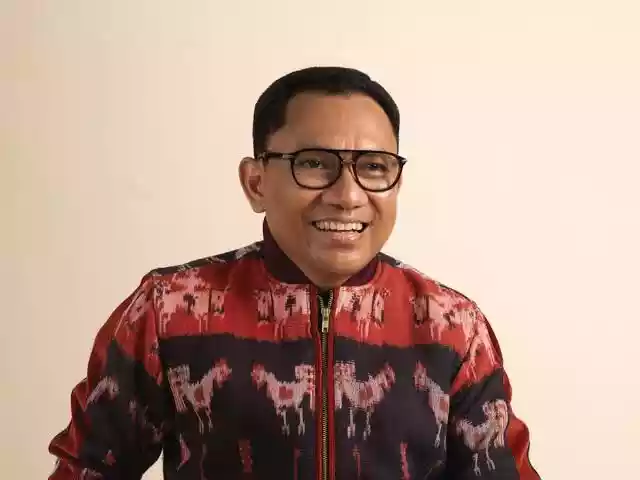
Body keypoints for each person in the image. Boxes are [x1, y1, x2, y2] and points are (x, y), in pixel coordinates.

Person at [48, 66, 540, 479]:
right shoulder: (169, 310)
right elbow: (86, 469)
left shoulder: (451, 326)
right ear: (256, 182)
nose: (348, 195)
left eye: (373, 167)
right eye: (315, 163)